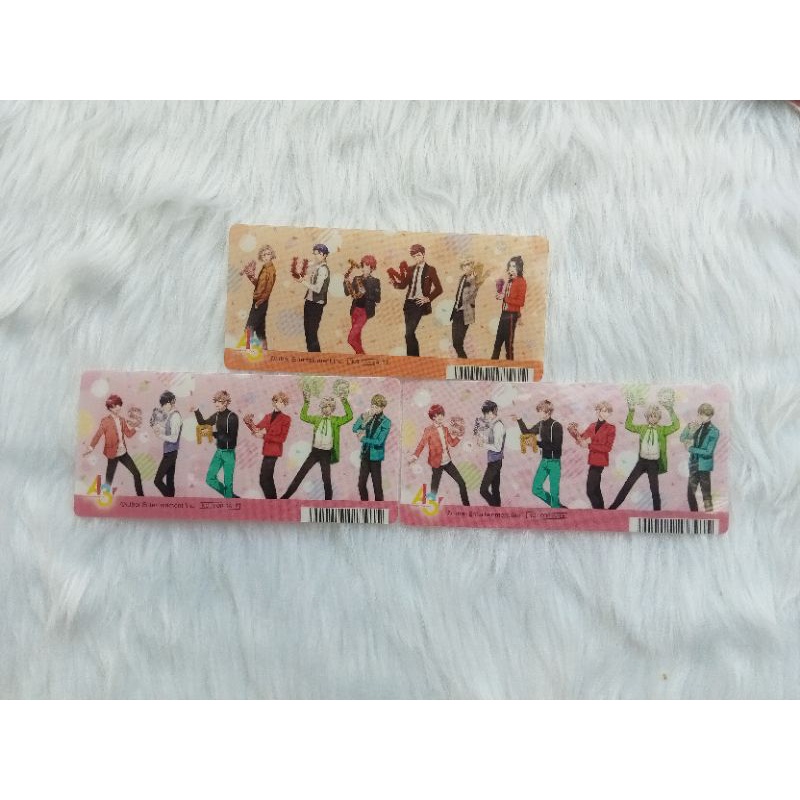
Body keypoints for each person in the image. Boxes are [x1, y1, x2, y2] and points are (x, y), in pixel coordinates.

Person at [281, 390, 353, 501]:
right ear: (321, 408)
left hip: (326, 453)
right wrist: (306, 402)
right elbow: (303, 416)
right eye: (324, 406)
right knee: (301, 474)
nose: (327, 409)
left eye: (329, 407)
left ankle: (328, 502)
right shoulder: (317, 419)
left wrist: (344, 400)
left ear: (332, 408)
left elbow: (349, 416)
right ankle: (285, 497)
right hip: (315, 452)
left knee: (326, 478)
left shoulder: (336, 420)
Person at [609, 401, 680, 511]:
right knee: (628, 484)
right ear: (647, 417)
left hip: (654, 463)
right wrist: (632, 410)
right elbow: (628, 425)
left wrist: (670, 410)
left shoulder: (662, 430)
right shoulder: (643, 428)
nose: (653, 418)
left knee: (654, 488)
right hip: (642, 462)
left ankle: (657, 512)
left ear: (659, 418)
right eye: (651, 416)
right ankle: (613, 507)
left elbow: (676, 426)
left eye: (655, 416)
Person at [83, 394, 144, 496]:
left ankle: (141, 497)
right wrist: (91, 447)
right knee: (109, 479)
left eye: (119, 405)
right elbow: (98, 435)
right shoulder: (105, 421)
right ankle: (104, 497)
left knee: (136, 473)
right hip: (112, 454)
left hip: (123, 453)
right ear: (110, 408)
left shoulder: (122, 420)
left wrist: (136, 428)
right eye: (115, 406)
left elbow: (128, 434)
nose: (118, 407)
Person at [409, 404, 470, 506]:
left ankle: (467, 506)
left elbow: (452, 443)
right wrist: (415, 456)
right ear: (433, 417)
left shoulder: (445, 429)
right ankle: (430, 507)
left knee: (462, 483)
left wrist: (459, 436)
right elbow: (422, 444)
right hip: (436, 464)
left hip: (448, 462)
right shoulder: (429, 430)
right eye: (437, 415)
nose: (440, 417)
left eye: (441, 414)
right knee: (434, 490)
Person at [390, 243, 443, 356]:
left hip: (419, 304)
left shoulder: (430, 270)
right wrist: (394, 283)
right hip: (408, 304)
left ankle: (413, 358)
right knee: (409, 334)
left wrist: (428, 299)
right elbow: (403, 285)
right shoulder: (410, 269)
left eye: (418, 255)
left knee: (409, 334)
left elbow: (439, 289)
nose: (416, 258)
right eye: (414, 256)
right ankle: (413, 359)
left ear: (423, 254)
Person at [512, 399, 565, 508]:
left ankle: (557, 508)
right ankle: (558, 507)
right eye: (539, 410)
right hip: (544, 461)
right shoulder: (540, 424)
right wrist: (519, 419)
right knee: (536, 489)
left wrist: (536, 443)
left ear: (548, 412)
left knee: (554, 492)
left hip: (554, 462)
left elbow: (556, 446)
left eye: (540, 410)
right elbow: (527, 433)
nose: (538, 413)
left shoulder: (556, 425)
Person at [568, 401, 617, 509]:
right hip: (592, 460)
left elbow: (607, 448)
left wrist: (589, 445)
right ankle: (601, 511)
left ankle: (599, 511)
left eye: (608, 412)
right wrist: (574, 432)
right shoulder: (592, 426)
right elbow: (582, 438)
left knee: (590, 490)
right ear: (598, 411)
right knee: (595, 489)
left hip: (600, 461)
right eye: (604, 411)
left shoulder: (611, 428)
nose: (606, 413)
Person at [191, 390, 239, 499]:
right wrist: (196, 411)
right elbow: (203, 423)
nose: (216, 404)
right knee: (210, 479)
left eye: (219, 401)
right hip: (219, 452)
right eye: (216, 401)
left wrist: (212, 433)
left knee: (228, 483)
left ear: (226, 402)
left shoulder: (232, 417)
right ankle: (231, 497)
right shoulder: (217, 415)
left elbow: (231, 439)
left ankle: (230, 498)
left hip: (228, 453)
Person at [245, 392, 291, 499]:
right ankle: (273, 502)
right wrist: (249, 422)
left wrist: (264, 436)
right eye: (279, 401)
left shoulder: (286, 419)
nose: (281, 404)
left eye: (283, 402)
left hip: (274, 451)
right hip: (266, 451)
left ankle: (272, 502)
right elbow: (257, 429)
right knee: (267, 479)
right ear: (274, 402)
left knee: (264, 479)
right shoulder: (267, 417)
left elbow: (282, 439)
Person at [680, 402, 719, 512]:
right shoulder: (697, 427)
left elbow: (708, 452)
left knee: (706, 494)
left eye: (703, 414)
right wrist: (688, 428)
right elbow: (682, 438)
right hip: (693, 464)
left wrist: (691, 449)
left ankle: (709, 515)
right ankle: (695, 515)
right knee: (690, 493)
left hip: (704, 466)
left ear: (709, 415)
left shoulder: (714, 431)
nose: (701, 416)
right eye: (700, 413)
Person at [353, 394, 392, 501]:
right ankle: (365, 505)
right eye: (372, 406)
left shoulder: (386, 422)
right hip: (365, 455)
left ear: (382, 407)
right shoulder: (369, 417)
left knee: (377, 486)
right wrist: (363, 417)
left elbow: (379, 441)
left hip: (375, 457)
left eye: (377, 407)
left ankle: (379, 507)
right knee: (361, 484)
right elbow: (355, 428)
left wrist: (363, 439)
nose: (374, 409)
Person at [295, 243, 330, 352]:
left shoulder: (323, 269)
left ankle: (316, 356)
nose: (316, 256)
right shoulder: (317, 266)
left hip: (316, 304)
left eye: (318, 254)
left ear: (324, 255)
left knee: (312, 332)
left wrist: (303, 282)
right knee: (308, 332)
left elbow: (317, 289)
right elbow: (308, 268)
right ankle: (311, 355)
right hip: (309, 302)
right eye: (314, 254)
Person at [344, 255, 381, 354]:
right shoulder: (356, 278)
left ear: (372, 268)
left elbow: (377, 299)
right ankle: (360, 358)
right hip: (355, 310)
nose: (365, 268)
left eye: (367, 266)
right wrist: (347, 281)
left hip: (365, 312)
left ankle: (363, 355)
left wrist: (364, 291)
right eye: (363, 266)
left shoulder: (375, 281)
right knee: (356, 338)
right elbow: (347, 293)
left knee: (351, 339)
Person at [491, 256, 527, 360]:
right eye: (510, 266)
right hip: (504, 314)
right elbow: (508, 297)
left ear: (519, 267)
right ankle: (492, 364)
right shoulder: (511, 280)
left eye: (514, 266)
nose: (511, 268)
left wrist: (505, 298)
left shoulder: (521, 281)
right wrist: (501, 296)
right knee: (497, 342)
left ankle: (510, 365)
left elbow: (520, 302)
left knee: (508, 344)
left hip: (511, 315)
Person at [243, 244, 276, 349]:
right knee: (260, 330)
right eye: (264, 255)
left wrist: (259, 302)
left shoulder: (271, 270)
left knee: (249, 328)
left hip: (260, 302)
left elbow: (268, 290)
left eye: (268, 254)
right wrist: (251, 277)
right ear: (261, 256)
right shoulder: (264, 268)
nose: (266, 256)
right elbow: (259, 286)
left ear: (272, 255)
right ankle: (265, 351)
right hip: (258, 301)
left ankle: (247, 350)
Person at [152, 391, 183, 497]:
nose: (163, 407)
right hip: (169, 452)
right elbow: (168, 431)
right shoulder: (171, 415)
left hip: (170, 453)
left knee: (157, 481)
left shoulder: (175, 416)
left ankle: (169, 499)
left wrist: (159, 436)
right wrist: (159, 428)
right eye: (162, 405)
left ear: (171, 402)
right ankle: (171, 502)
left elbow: (174, 439)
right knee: (170, 481)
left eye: (164, 404)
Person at [450, 260, 482, 359]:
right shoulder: (462, 278)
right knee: (455, 344)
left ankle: (465, 363)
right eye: (465, 265)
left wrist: (471, 281)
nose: (468, 267)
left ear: (472, 268)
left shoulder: (474, 281)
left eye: (470, 265)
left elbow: (470, 298)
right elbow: (458, 296)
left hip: (465, 313)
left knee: (458, 343)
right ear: (463, 267)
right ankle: (463, 362)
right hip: (456, 312)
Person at [477, 400, 505, 507]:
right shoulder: (495, 425)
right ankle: (497, 511)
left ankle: (495, 509)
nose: (484, 416)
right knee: (495, 490)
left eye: (485, 413)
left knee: (483, 490)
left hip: (495, 462)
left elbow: (497, 448)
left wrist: (483, 444)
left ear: (490, 412)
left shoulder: (498, 426)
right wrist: (484, 439)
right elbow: (494, 442)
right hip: (495, 461)